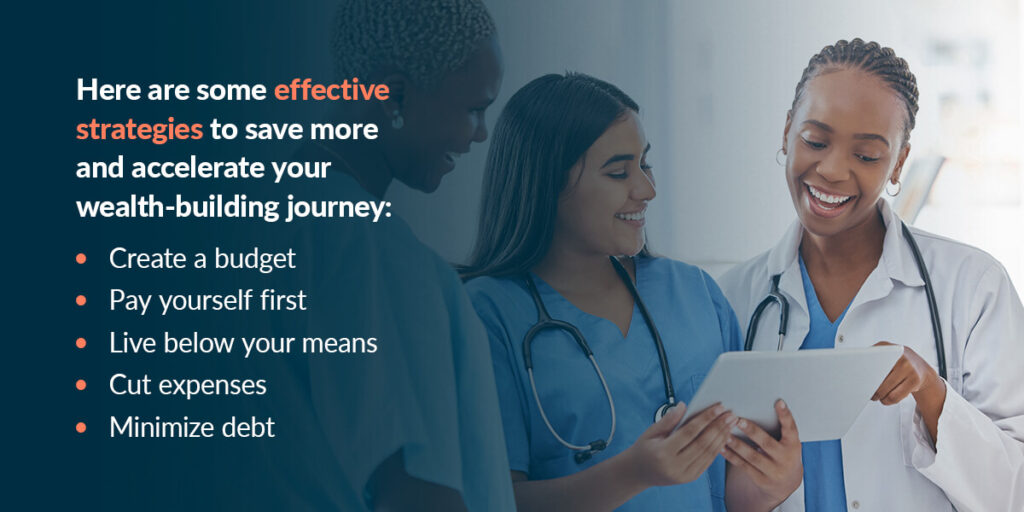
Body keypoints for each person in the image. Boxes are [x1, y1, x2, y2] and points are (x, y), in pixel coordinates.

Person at [461, 73, 802, 511]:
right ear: (547, 182)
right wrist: (633, 473)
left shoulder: (694, 294)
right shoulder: (486, 314)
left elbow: (723, 492)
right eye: (619, 171)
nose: (647, 190)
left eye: (645, 164)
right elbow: (488, 502)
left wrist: (777, 481)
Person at [718, 38, 1024, 511]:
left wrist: (932, 393)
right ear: (786, 132)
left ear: (899, 163)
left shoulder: (974, 286)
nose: (833, 170)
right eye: (815, 141)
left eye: (866, 156)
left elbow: (1014, 491)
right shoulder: (733, 299)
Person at [232, 1, 513, 510]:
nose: (480, 134)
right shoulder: (373, 250)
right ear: (393, 95)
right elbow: (417, 494)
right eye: (475, 108)